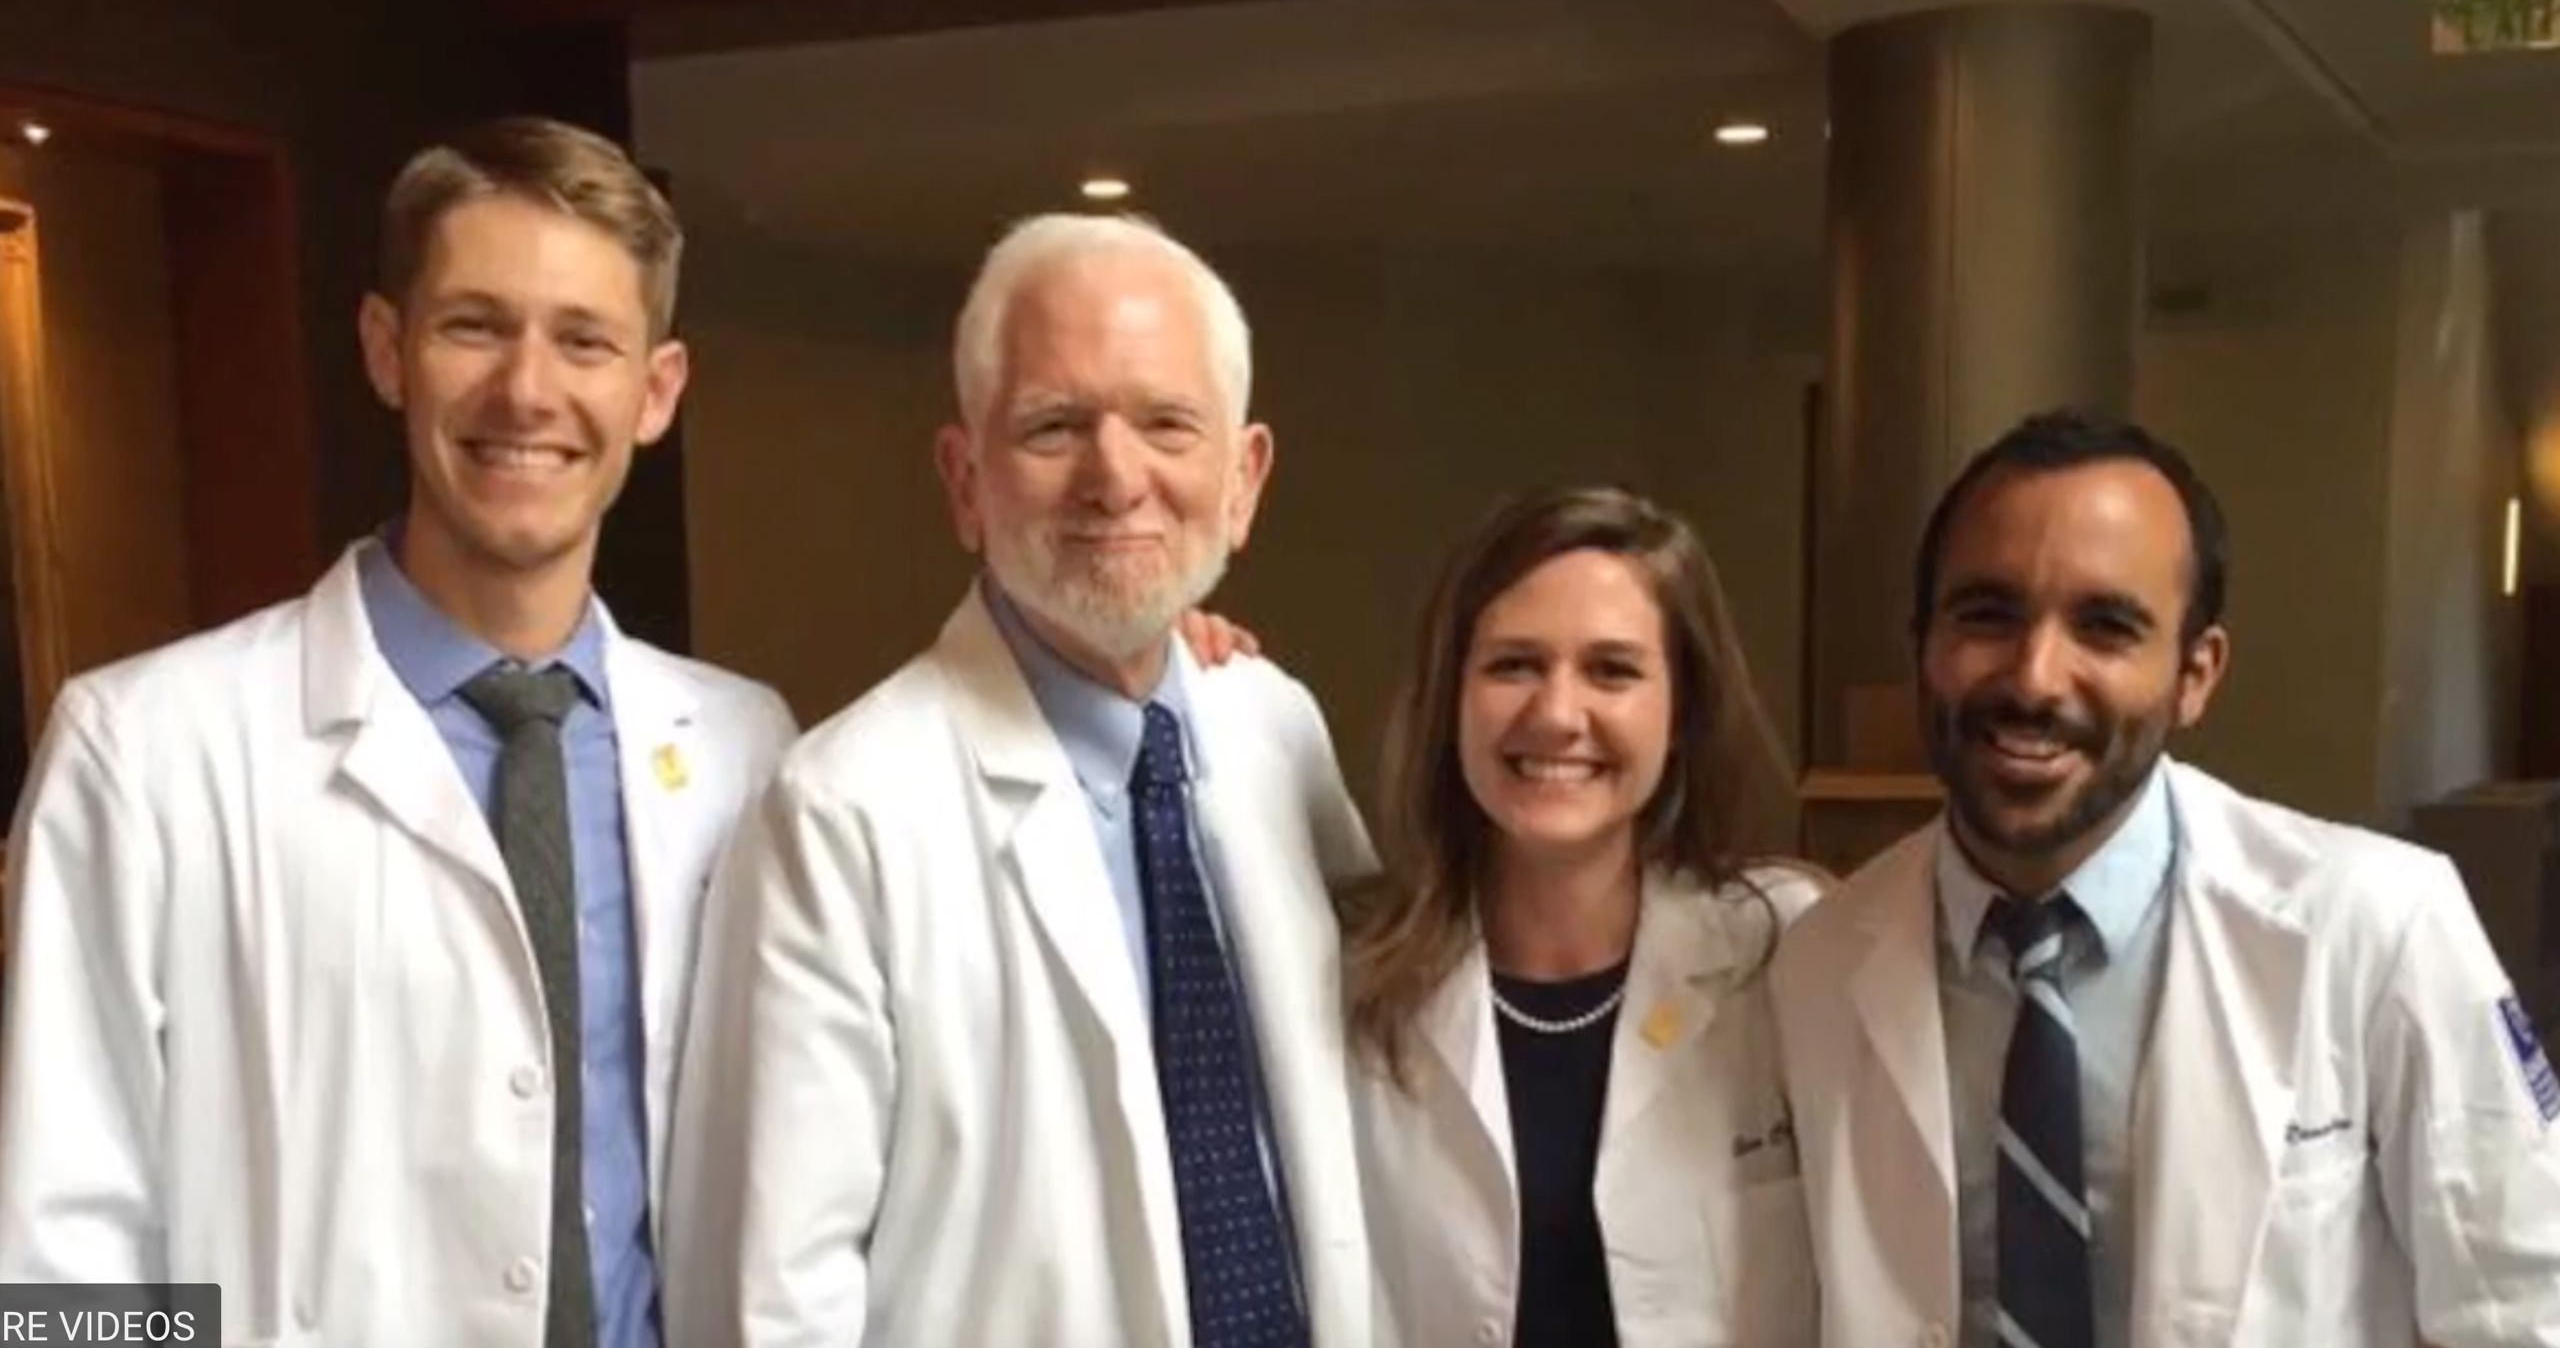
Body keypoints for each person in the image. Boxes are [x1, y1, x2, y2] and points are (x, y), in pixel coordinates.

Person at [0, 116, 798, 1347]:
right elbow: (59, 1263)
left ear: (656, 392)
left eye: (584, 340)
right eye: (474, 325)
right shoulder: (143, 748)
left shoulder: (748, 752)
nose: (527, 391)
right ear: (387, 349)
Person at [664, 213, 1375, 1347]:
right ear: (963, 479)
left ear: (1242, 479)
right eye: (1054, 426)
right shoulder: (840, 813)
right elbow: (776, 1294)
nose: (1115, 477)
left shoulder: (1273, 728)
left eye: (1166, 423)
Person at [1774, 408, 2560, 1347]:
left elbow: (2520, 1302)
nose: (2034, 677)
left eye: (2105, 626)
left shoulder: (2377, 926)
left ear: (2196, 672)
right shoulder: (1817, 963)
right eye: (1988, 615)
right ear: (1923, 647)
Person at [1345, 486, 1821, 1348]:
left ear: (1682, 714)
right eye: (1513, 665)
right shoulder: (1351, 986)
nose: (1558, 715)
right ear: (1452, 702)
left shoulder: (1788, 950)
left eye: (1613, 670)